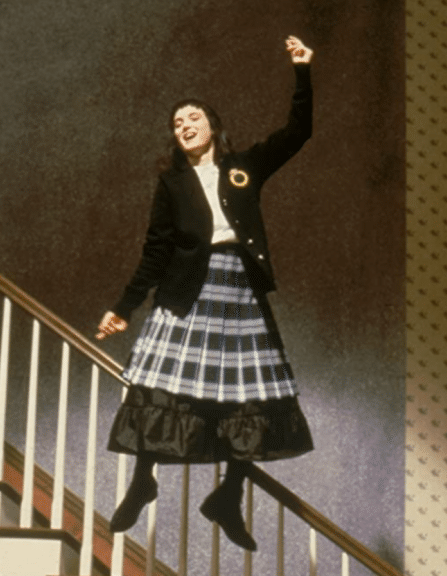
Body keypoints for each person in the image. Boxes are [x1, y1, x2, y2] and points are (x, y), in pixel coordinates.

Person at [95, 35, 315, 551]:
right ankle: (142, 481)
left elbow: (298, 132)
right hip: (188, 293)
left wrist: (302, 71)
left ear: (212, 125)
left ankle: (227, 497)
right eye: (177, 123)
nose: (184, 125)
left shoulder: (243, 167)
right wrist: (123, 307)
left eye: (193, 117)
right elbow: (155, 251)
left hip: (240, 291)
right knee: (165, 388)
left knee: (245, 395)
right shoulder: (172, 185)